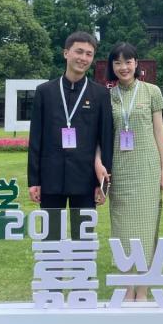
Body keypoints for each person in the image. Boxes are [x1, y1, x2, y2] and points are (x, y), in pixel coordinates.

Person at [27, 31, 113, 240]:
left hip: (86, 179)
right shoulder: (45, 92)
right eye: (79, 52)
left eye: (89, 54)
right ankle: (51, 264)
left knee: (83, 241)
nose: (83, 58)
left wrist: (101, 184)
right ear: (66, 53)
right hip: (50, 178)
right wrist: (34, 180)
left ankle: (82, 264)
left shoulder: (100, 94)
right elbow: (36, 139)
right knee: (51, 238)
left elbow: (105, 139)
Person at [105, 41, 163, 301]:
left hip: (147, 169)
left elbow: (159, 131)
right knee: (122, 230)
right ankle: (127, 287)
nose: (123, 67)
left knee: (146, 230)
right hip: (120, 170)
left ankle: (142, 290)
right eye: (118, 62)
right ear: (112, 66)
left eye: (128, 61)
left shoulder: (152, 91)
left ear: (136, 63)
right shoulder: (107, 96)